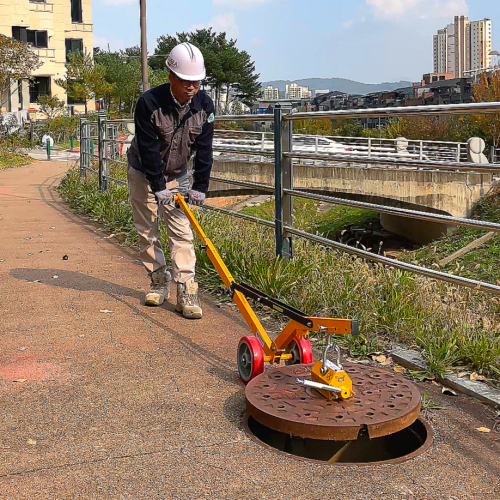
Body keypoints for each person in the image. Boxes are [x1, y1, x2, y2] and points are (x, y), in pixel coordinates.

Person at [127, 42, 215, 319]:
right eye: (186, 81)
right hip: (143, 171)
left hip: (178, 175)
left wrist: (200, 187)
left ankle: (187, 288)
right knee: (147, 227)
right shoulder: (149, 103)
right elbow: (149, 149)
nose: (192, 87)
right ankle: (157, 280)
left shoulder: (204, 105)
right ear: (171, 77)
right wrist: (157, 187)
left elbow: (205, 149)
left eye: (196, 82)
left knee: (181, 230)